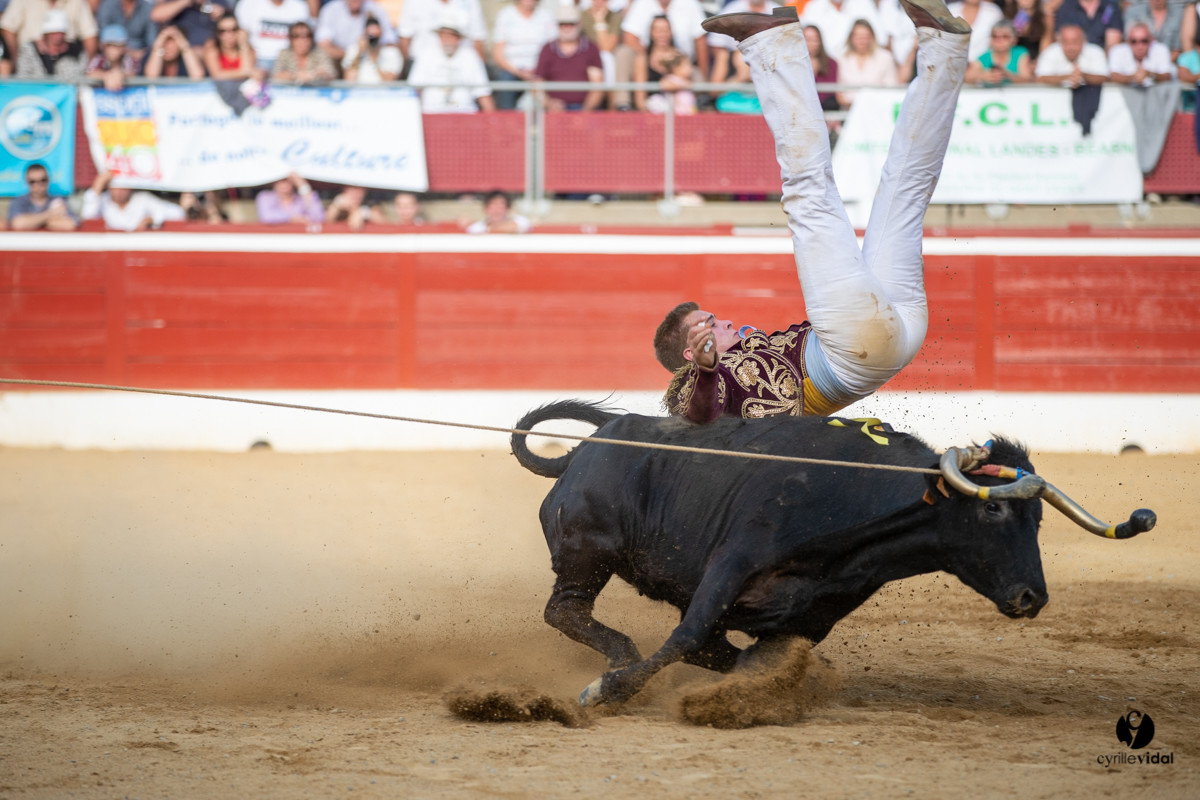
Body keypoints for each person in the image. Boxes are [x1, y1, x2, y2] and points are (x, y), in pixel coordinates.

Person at [656, 2, 972, 424]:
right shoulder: (697, 386)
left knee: (905, 189)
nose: (725, 320)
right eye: (710, 323)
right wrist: (708, 369)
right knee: (808, 194)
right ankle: (769, 43)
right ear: (691, 352)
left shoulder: (743, 360)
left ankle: (945, 47)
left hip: (894, 335)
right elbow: (694, 418)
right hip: (853, 351)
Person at [406, 9, 494, 112]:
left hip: (465, 116)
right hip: (431, 115)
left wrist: (494, 123)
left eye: (451, 35)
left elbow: (483, 94)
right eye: (443, 35)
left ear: (459, 38)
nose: (446, 40)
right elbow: (415, 91)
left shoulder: (470, 56)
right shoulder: (426, 54)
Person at [533, 4, 605, 111]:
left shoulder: (590, 48)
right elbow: (537, 84)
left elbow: (597, 86)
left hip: (583, 108)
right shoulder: (547, 49)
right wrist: (549, 104)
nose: (566, 28)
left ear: (579, 24)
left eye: (571, 24)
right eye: (562, 24)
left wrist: (585, 111)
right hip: (553, 110)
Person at [490, 0, 555, 110]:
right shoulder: (505, 15)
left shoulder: (546, 15)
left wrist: (538, 70)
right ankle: (507, 119)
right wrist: (519, 72)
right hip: (511, 70)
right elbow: (498, 54)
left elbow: (552, 49)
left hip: (540, 70)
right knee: (505, 81)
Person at [82, 170, 187, 231]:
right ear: (109, 187)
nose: (119, 192)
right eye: (115, 187)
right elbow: (87, 216)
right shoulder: (103, 202)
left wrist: (152, 219)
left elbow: (177, 213)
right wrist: (98, 184)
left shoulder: (142, 199)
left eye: (123, 187)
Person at [397, 0, 488, 67]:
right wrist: (406, 67)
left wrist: (481, 69)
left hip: (461, 65)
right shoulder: (413, 2)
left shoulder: (471, 2)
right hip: (421, 65)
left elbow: (478, 40)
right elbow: (405, 37)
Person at [708, 0, 778, 83]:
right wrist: (739, 78)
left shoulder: (778, 12)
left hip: (771, 69)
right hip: (736, 75)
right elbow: (720, 59)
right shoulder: (730, 12)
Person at [1, 0, 98, 60]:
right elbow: (8, 27)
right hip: (30, 58)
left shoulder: (77, 2)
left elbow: (90, 34)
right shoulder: (23, 1)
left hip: (68, 58)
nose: (57, 36)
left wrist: (85, 65)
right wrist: (16, 58)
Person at [836, 18, 897, 108]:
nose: (861, 41)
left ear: (872, 37)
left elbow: (891, 87)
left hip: (877, 109)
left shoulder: (885, 57)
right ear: (851, 38)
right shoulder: (841, 59)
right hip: (848, 112)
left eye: (865, 37)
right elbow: (838, 92)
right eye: (858, 36)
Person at [315, 0, 397, 67]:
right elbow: (323, 45)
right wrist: (353, 54)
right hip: (338, 61)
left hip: (368, 59)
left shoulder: (375, 9)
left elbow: (391, 42)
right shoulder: (330, 10)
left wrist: (371, 47)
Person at [234, 0, 308, 72]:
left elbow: (303, 37)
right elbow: (242, 37)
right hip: (258, 59)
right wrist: (251, 66)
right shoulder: (248, 3)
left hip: (289, 60)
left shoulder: (299, 6)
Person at [6, 162, 79, 231]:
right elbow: (18, 224)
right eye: (33, 181)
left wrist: (33, 222)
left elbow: (70, 224)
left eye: (43, 180)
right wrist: (50, 214)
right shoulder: (19, 201)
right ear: (26, 182)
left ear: (48, 180)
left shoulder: (59, 200)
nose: (38, 185)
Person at [14, 8, 86, 77]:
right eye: (53, 33)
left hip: (67, 88)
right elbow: (23, 78)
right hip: (36, 88)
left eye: (60, 32)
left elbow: (82, 75)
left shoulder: (76, 51)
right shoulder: (30, 49)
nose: (58, 36)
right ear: (46, 34)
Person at [1035, 22, 1108, 86]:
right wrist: (1070, 77)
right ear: (1059, 41)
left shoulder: (1096, 51)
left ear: (1084, 40)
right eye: (1066, 42)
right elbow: (1041, 78)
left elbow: (1104, 78)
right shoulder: (1049, 52)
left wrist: (1082, 76)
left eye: (1075, 42)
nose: (1070, 47)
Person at [964, 18, 1032, 84]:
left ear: (1014, 39)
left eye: (1005, 36)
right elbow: (967, 77)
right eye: (995, 36)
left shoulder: (1021, 54)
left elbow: (1028, 79)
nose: (1000, 40)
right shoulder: (983, 57)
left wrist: (1008, 76)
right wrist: (983, 76)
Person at [150, 0, 233, 53]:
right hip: (182, 54)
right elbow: (156, 15)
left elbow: (232, 24)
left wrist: (222, 14)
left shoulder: (219, 2)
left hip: (210, 53)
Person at [1108, 21, 1174, 86]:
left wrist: (1150, 74)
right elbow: (1112, 77)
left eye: (1144, 41)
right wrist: (1132, 77)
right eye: (1134, 41)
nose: (1139, 46)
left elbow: (1167, 77)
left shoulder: (1161, 49)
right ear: (1127, 41)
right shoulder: (1117, 51)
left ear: (1151, 40)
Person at [341, 13, 402, 81]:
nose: (373, 39)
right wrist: (359, 53)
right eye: (370, 35)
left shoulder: (391, 52)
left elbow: (389, 81)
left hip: (382, 90)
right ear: (364, 33)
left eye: (375, 35)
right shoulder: (354, 50)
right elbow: (349, 80)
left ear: (381, 32)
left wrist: (374, 59)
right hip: (358, 90)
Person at [271, 20, 336, 82]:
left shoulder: (319, 53)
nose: (303, 40)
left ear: (312, 39)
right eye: (297, 36)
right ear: (291, 39)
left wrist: (315, 75)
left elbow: (331, 74)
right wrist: (296, 76)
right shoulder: (284, 54)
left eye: (307, 36)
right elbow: (275, 75)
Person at [95, 0, 155, 67]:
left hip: (142, 60)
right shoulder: (107, 5)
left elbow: (151, 43)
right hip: (113, 56)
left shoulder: (147, 7)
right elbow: (105, 38)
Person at [1123, 0, 1189, 59]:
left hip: (1169, 65)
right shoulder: (1133, 12)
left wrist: (1159, 65)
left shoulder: (1179, 14)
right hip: (1136, 65)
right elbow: (1127, 44)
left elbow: (1178, 50)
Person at [255, 173, 325, 225]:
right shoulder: (265, 197)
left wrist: (303, 185)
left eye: (287, 180)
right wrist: (292, 219)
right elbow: (266, 218)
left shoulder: (301, 199)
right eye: (280, 180)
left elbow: (319, 217)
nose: (284, 184)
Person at [1054, 0, 1124, 52]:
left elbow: (1112, 45)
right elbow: (1061, 40)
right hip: (1073, 57)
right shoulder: (1066, 7)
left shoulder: (1110, 8)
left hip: (1101, 60)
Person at [203, 14, 256, 78]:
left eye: (234, 29)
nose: (229, 35)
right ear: (217, 33)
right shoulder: (213, 51)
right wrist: (244, 72)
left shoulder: (248, 49)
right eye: (222, 31)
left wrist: (243, 44)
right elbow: (217, 75)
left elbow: (248, 69)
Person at [85, 22, 135, 89]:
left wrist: (121, 75)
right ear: (103, 47)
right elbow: (90, 72)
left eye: (117, 46)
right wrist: (106, 76)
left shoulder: (128, 59)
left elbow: (132, 73)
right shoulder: (99, 59)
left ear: (123, 48)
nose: (113, 50)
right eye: (109, 45)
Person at [464, 190, 530, 233]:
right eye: (493, 205)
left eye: (500, 206)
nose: (497, 210)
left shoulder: (521, 220)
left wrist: (490, 228)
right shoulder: (476, 227)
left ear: (507, 208)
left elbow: (516, 227)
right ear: (486, 209)